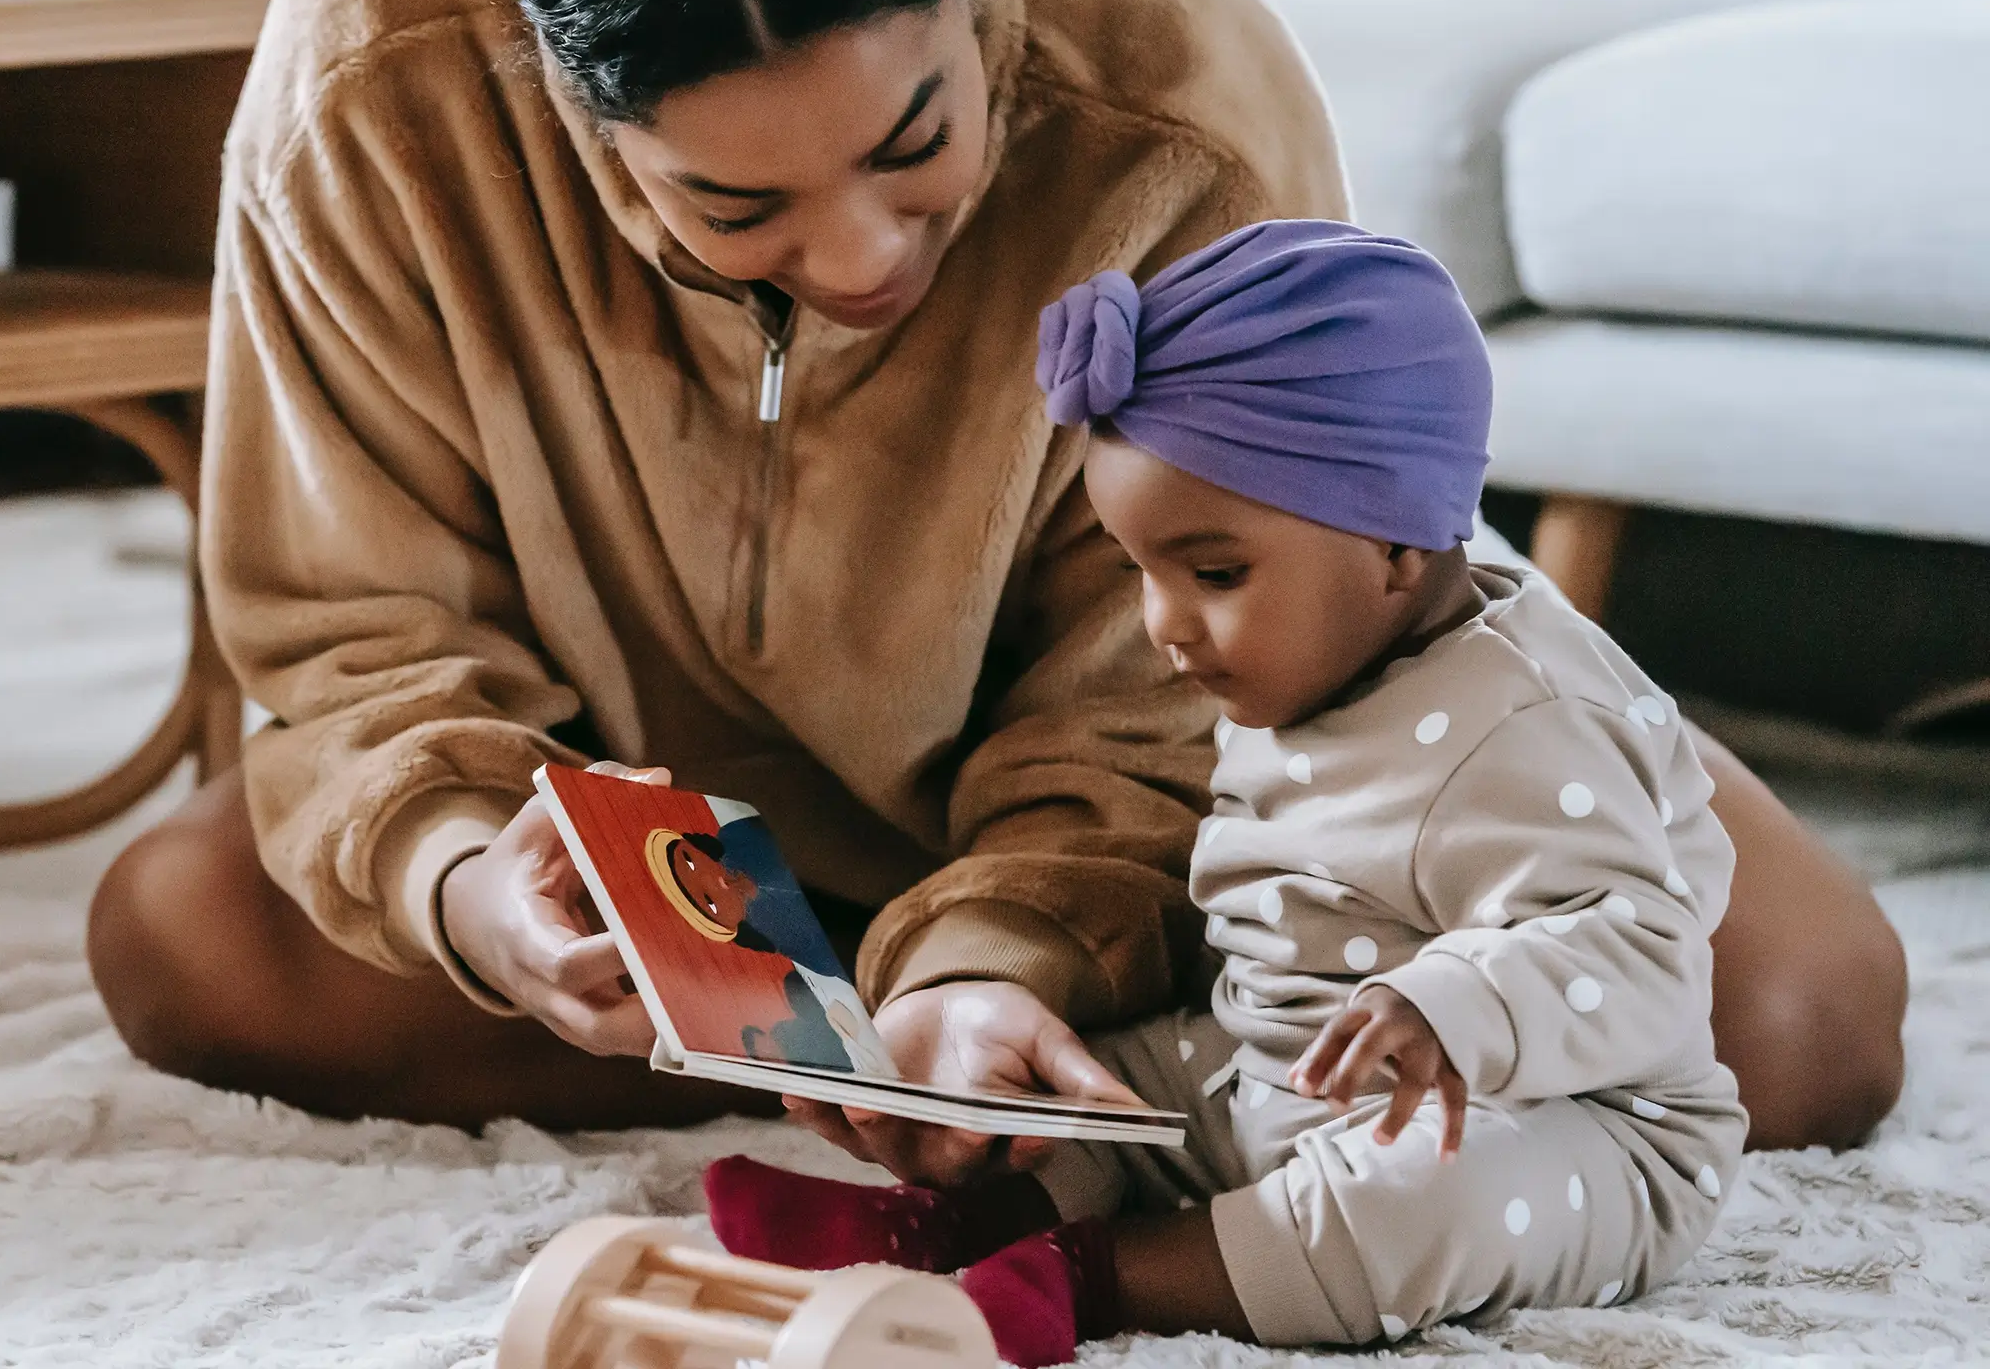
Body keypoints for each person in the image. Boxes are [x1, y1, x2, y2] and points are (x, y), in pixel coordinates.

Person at [84, 0, 1905, 1156]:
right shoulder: (375, 76)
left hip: (1202, 805)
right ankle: (1002, 1072)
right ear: (567, 100)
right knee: (187, 937)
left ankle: (999, 1039)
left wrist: (1003, 956)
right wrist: (476, 891)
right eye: (735, 203)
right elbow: (354, 635)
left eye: (916, 140)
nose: (866, 257)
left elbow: (1206, 681)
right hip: (670, 804)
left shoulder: (1170, 81)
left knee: (1794, 1012)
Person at [703, 223, 1747, 1361]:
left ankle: (1090, 1283)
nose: (1162, 625)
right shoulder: (1311, 656)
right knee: (1105, 1088)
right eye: (1137, 570)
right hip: (1281, 1064)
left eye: (1211, 574)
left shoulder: (1532, 721)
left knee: (1412, 1205)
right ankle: (955, 1225)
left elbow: (1642, 948)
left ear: (1395, 544)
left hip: (1563, 1124)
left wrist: (1453, 1005)